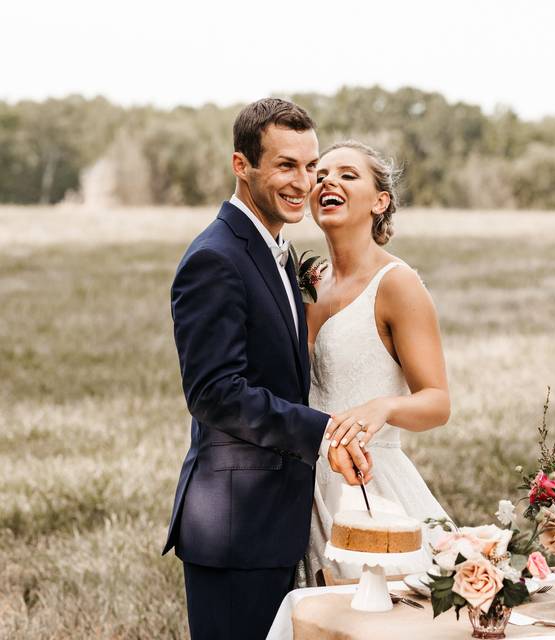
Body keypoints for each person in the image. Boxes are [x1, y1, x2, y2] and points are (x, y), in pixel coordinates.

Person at [163, 99, 372, 639]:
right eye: (285, 165)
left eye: (310, 165)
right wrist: (323, 430)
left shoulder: (276, 249)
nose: (303, 181)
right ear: (242, 166)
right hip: (237, 526)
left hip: (275, 521)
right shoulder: (216, 257)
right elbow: (215, 392)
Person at [301, 140, 452, 584]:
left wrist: (383, 407)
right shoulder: (307, 282)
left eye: (348, 174)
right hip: (302, 492)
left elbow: (438, 403)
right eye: (321, 174)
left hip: (367, 491)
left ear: (380, 201)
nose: (329, 181)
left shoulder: (397, 284)